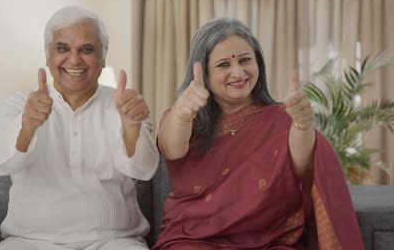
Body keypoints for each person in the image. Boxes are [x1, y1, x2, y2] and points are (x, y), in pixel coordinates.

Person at [152, 18, 364, 250]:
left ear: (258, 64)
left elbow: (303, 165)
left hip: (269, 240)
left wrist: (303, 127)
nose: (238, 71)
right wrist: (182, 114)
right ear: (203, 71)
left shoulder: (282, 118)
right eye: (224, 65)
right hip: (193, 240)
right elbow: (171, 149)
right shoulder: (184, 116)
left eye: (245, 60)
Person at [0, 5, 159, 250]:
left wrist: (131, 127)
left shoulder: (125, 104)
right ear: (48, 56)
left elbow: (144, 171)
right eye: (62, 49)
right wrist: (27, 126)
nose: (75, 59)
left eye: (87, 49)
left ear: (103, 57)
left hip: (114, 241)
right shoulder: (19, 105)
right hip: (29, 242)